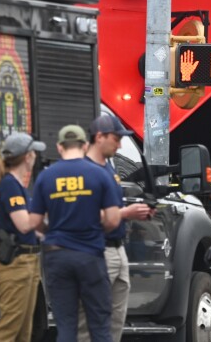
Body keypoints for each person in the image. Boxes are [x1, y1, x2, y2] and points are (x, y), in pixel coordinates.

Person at [29, 125, 122, 342]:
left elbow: (34, 222)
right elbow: (113, 219)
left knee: (66, 326)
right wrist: (97, 229)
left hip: (57, 256)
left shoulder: (46, 177)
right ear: (86, 145)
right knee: (99, 324)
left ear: (60, 147)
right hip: (90, 255)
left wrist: (51, 230)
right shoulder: (100, 174)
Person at [78, 113, 155, 342]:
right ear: (99, 137)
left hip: (117, 249)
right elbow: (83, 216)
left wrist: (135, 214)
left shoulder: (109, 169)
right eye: (116, 138)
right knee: (89, 321)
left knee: (115, 322)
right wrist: (125, 213)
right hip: (97, 250)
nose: (120, 144)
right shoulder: (84, 171)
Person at [0, 132, 46, 342]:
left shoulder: (16, 185)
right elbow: (23, 225)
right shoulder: (10, 185)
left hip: (27, 261)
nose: (35, 157)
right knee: (9, 328)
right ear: (27, 156)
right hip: (17, 265)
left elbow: (32, 228)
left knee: (24, 330)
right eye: (33, 152)